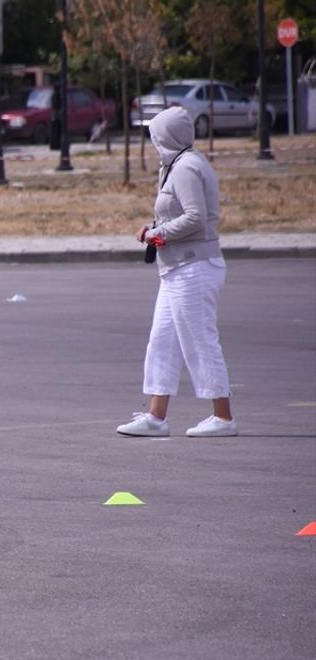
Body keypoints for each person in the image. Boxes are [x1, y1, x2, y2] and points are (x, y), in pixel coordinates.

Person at [117, 106, 235, 439]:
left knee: (200, 342)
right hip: (178, 268)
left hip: (193, 266)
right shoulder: (178, 165)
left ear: (166, 137)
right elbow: (182, 213)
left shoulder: (185, 167)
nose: (153, 143)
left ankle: (224, 418)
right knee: (163, 342)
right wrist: (156, 227)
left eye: (155, 136)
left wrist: (161, 234)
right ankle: (156, 417)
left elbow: (196, 217)